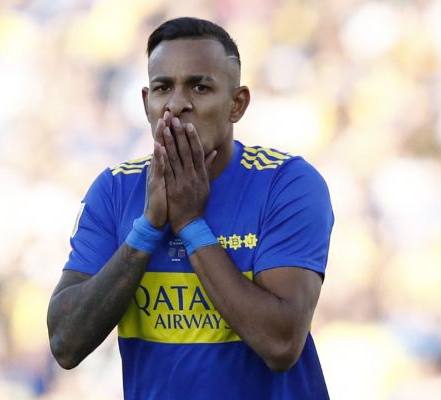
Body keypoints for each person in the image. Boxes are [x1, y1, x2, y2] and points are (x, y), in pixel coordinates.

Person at [47, 17, 334, 400]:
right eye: (164, 88)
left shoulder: (287, 184)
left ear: (237, 104)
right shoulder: (115, 190)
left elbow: (281, 345)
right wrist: (148, 228)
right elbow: (66, 343)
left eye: (200, 87)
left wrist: (190, 223)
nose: (178, 104)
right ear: (147, 103)